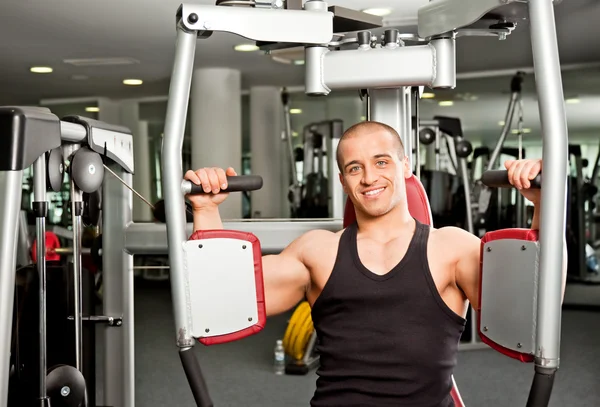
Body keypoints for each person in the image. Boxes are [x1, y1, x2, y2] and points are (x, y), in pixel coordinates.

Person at [184, 121, 567, 407]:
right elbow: (225, 300)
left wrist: (544, 205)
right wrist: (205, 211)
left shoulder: (449, 246)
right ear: (343, 181)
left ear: (405, 165)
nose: (369, 177)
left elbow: (538, 305)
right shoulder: (317, 251)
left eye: (381, 162)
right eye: (355, 168)